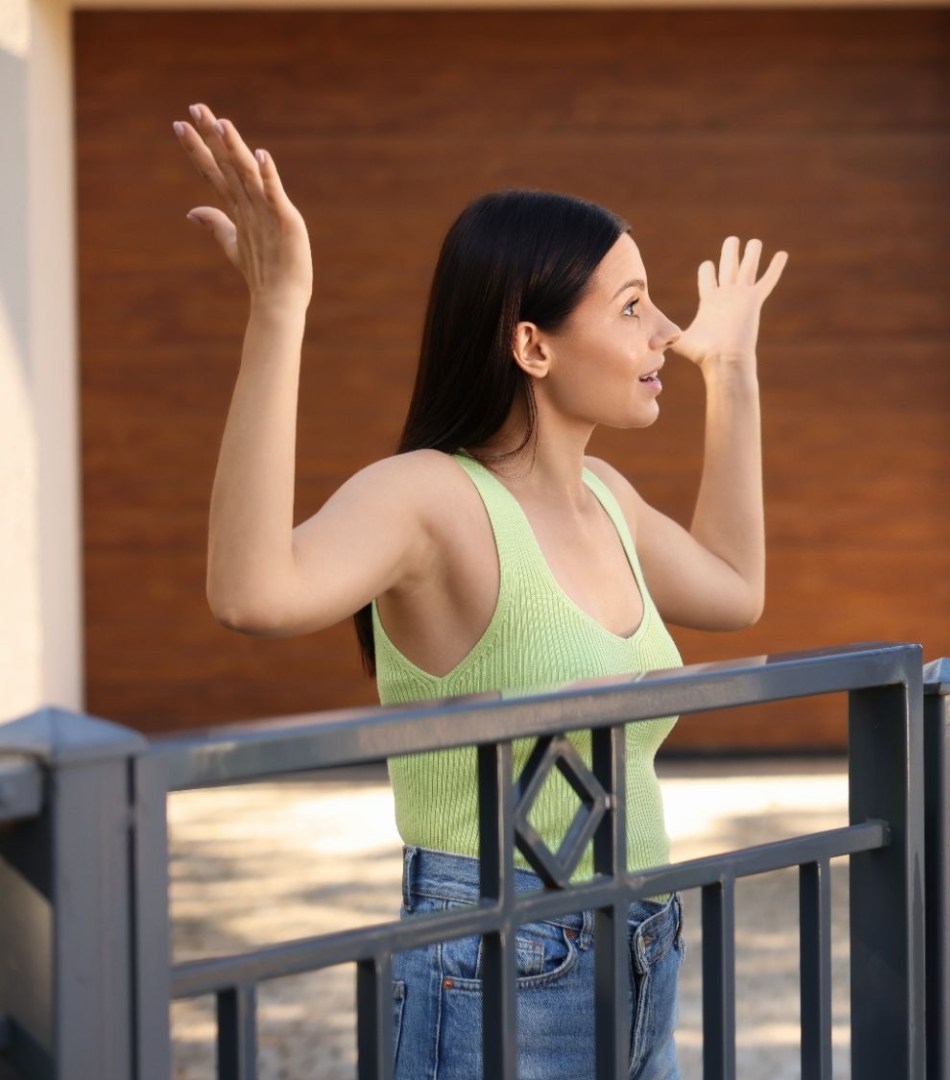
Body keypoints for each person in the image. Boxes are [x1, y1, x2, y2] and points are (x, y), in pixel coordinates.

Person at [175, 102, 784, 1080]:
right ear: (533, 346)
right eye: (632, 307)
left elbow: (737, 587)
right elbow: (251, 592)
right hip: (502, 946)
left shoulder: (607, 498)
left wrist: (737, 370)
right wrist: (279, 307)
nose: (667, 331)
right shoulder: (429, 497)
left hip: (641, 930)